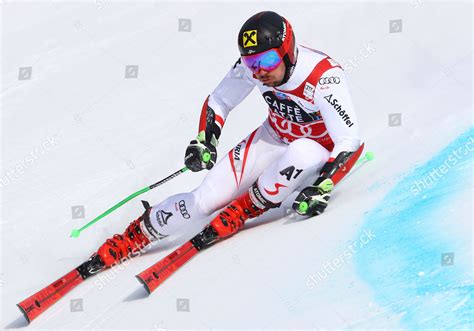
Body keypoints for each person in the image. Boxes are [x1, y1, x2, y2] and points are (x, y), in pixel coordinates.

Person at [95, 11, 363, 267]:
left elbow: (349, 140)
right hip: (273, 137)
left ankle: (243, 209)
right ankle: (141, 232)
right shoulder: (255, 70)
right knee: (203, 201)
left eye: (267, 61)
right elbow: (220, 100)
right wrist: (206, 141)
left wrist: (323, 186)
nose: (259, 72)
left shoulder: (323, 77)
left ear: (287, 51)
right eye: (251, 63)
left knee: (303, 151)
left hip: (317, 156)